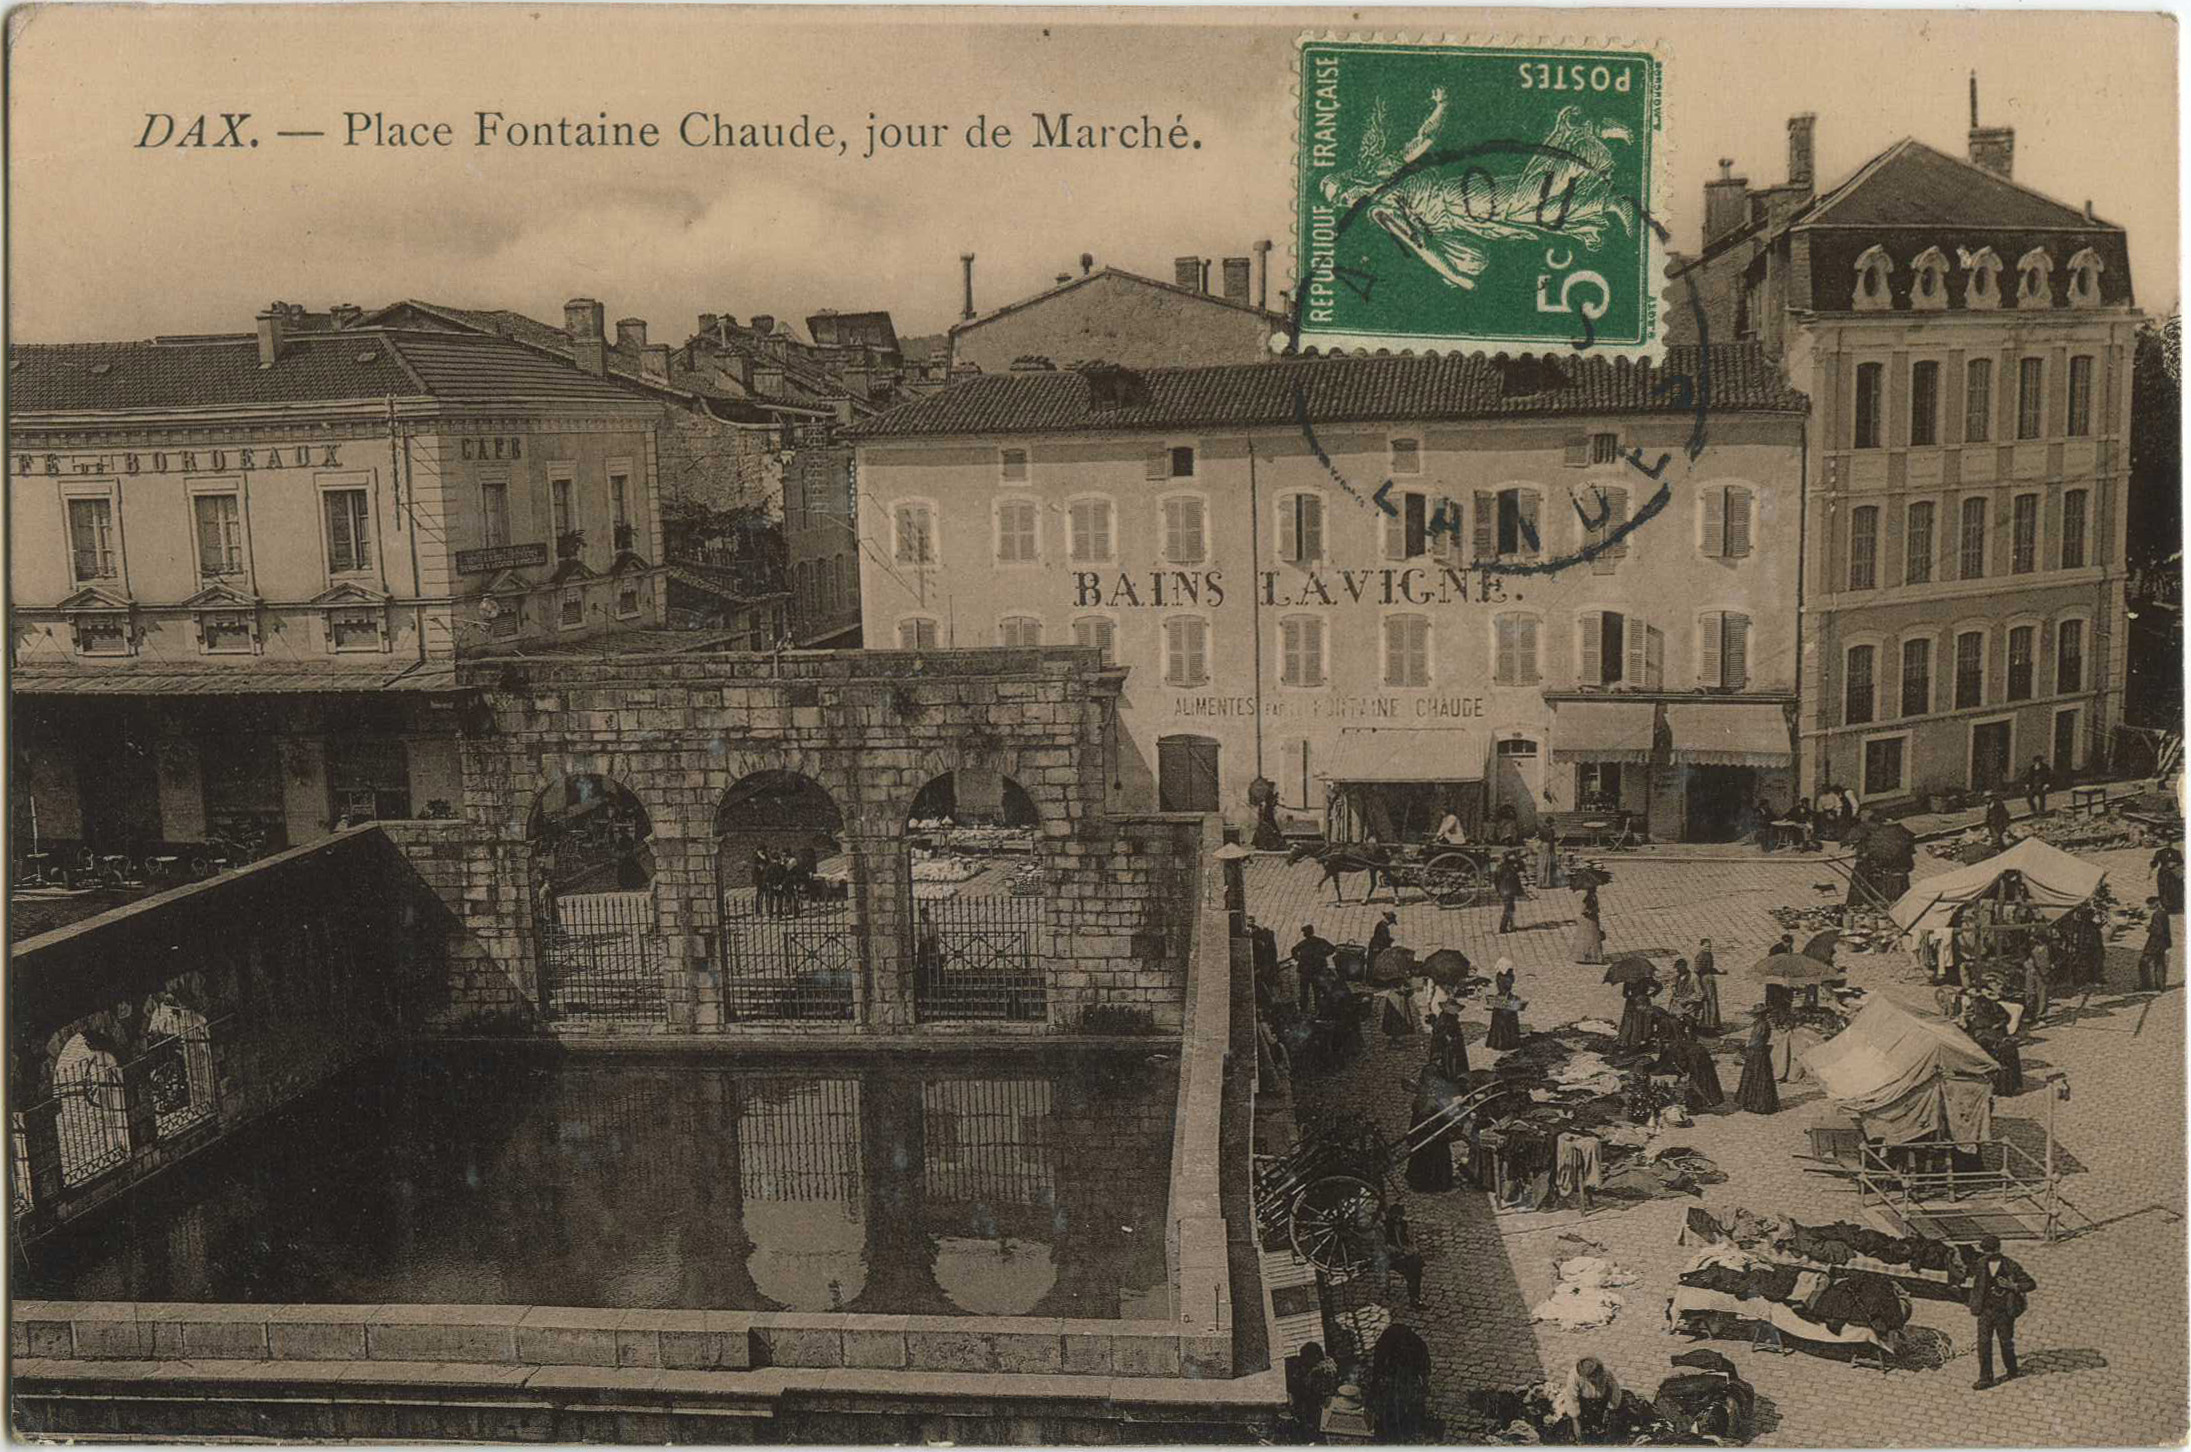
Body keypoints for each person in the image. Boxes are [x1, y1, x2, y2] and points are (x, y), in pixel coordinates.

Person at [1967, 1234, 2037, 1390]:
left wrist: (2013, 1286)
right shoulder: (1980, 1263)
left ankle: (2012, 1369)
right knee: (1983, 1343)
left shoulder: (2011, 1266)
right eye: (1986, 1251)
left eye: (1991, 1251)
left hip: (2004, 1311)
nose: (1988, 1254)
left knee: (2005, 1342)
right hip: (1985, 1310)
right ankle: (1985, 1378)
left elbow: (2031, 1284)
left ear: (1998, 1249)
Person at [1368, 1321, 1434, 1441]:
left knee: (1400, 1398)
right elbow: (1378, 1369)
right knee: (1395, 1400)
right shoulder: (1388, 1344)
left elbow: (1425, 1372)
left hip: (1403, 1372)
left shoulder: (1417, 1348)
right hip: (1396, 1372)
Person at [1553, 1357, 1623, 1442]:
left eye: (1595, 1377)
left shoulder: (1606, 1374)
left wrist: (1611, 1408)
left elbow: (1615, 1391)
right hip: (1583, 1402)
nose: (1593, 1380)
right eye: (1590, 1378)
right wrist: (1575, 1420)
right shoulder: (1574, 1376)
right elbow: (1571, 1397)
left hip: (1601, 1401)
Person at [1380, 1203, 1426, 1307]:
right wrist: (1399, 1251)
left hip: (1404, 1256)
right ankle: (1414, 1298)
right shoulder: (1385, 1226)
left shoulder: (1404, 1224)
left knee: (1416, 1264)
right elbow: (1384, 1246)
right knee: (1412, 1268)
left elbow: (1410, 1241)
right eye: (1395, 1216)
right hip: (1391, 1258)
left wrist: (1412, 1249)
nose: (1398, 1218)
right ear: (1391, 1215)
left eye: (1400, 1216)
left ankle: (1415, 1297)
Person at [1290, 1341, 1341, 1428]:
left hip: (1321, 1406)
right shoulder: (1323, 1365)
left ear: (1315, 1357)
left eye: (1305, 1357)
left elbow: (1314, 1393)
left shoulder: (1320, 1372)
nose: (1303, 1360)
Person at [1294, 925, 1336, 1015]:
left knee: (1304, 991)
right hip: (1317, 970)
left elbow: (1294, 950)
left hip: (1306, 970)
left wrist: (1298, 958)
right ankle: (1317, 1008)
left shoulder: (1303, 943)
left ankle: (1304, 1008)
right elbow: (1332, 948)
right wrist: (1324, 954)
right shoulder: (1321, 941)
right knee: (1317, 990)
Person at [1487, 957, 1524, 1050]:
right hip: (1507, 999)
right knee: (1508, 1022)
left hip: (1500, 998)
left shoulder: (1499, 976)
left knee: (1498, 1022)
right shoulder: (1509, 977)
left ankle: (1497, 1042)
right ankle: (1510, 1042)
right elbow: (1507, 987)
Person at [1615, 971, 1659, 1049]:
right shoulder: (1632, 980)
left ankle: (1640, 1040)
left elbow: (1659, 986)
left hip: (1641, 1002)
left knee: (1643, 1021)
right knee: (1632, 1021)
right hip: (1635, 1002)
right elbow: (1624, 993)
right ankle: (1629, 1041)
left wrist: (1650, 995)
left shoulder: (1645, 979)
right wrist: (1633, 997)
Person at [2140, 898, 2173, 991]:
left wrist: (2148, 928)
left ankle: (2146, 986)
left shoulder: (2157, 914)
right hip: (2163, 943)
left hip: (2155, 943)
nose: (2149, 907)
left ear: (2156, 903)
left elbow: (2158, 931)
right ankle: (2161, 986)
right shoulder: (2164, 912)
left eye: (2150, 904)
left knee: (2143, 962)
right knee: (2159, 963)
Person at [1692, 938, 1724, 1032]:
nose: (1708, 948)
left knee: (1711, 1001)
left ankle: (1712, 1022)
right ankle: (1708, 1023)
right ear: (1701, 946)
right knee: (1708, 1001)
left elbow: (1709, 968)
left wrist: (1719, 972)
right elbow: (1697, 970)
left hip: (1709, 980)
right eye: (1706, 946)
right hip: (1704, 980)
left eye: (1709, 946)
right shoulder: (1701, 956)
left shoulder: (1708, 954)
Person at [1571, 882, 1605, 964]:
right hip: (1589, 921)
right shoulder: (1587, 898)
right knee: (1591, 938)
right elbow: (1584, 911)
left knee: (1591, 938)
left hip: (1592, 920)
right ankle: (1589, 957)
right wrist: (1593, 910)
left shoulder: (1592, 896)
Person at [1668, 959, 1704, 1026]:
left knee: (1687, 1021)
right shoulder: (1677, 978)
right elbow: (1674, 991)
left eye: (1679, 968)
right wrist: (1674, 992)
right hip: (1678, 1004)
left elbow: (1699, 995)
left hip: (1690, 1006)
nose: (1678, 971)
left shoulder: (1694, 977)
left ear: (1685, 967)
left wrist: (1687, 1000)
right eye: (1677, 969)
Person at [2023, 944, 2051, 1027]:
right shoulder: (2030, 947)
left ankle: (2041, 1017)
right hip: (2031, 973)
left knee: (2042, 994)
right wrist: (2029, 967)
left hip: (2043, 973)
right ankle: (2030, 1014)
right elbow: (2024, 959)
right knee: (2030, 993)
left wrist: (2052, 967)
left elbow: (2058, 958)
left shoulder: (2049, 948)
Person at [1496, 852, 1524, 935]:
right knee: (1509, 909)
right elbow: (1517, 881)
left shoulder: (1500, 868)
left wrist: (1498, 891)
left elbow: (1496, 881)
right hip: (1510, 892)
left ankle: (1510, 925)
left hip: (1503, 891)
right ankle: (1503, 927)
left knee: (1510, 908)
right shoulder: (1512, 870)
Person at [1535, 818, 1560, 890]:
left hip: (1542, 847)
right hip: (1548, 847)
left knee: (1541, 864)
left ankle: (1540, 882)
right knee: (1547, 864)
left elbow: (1540, 838)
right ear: (1550, 823)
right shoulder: (1551, 831)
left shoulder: (1541, 829)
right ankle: (1547, 883)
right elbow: (1551, 840)